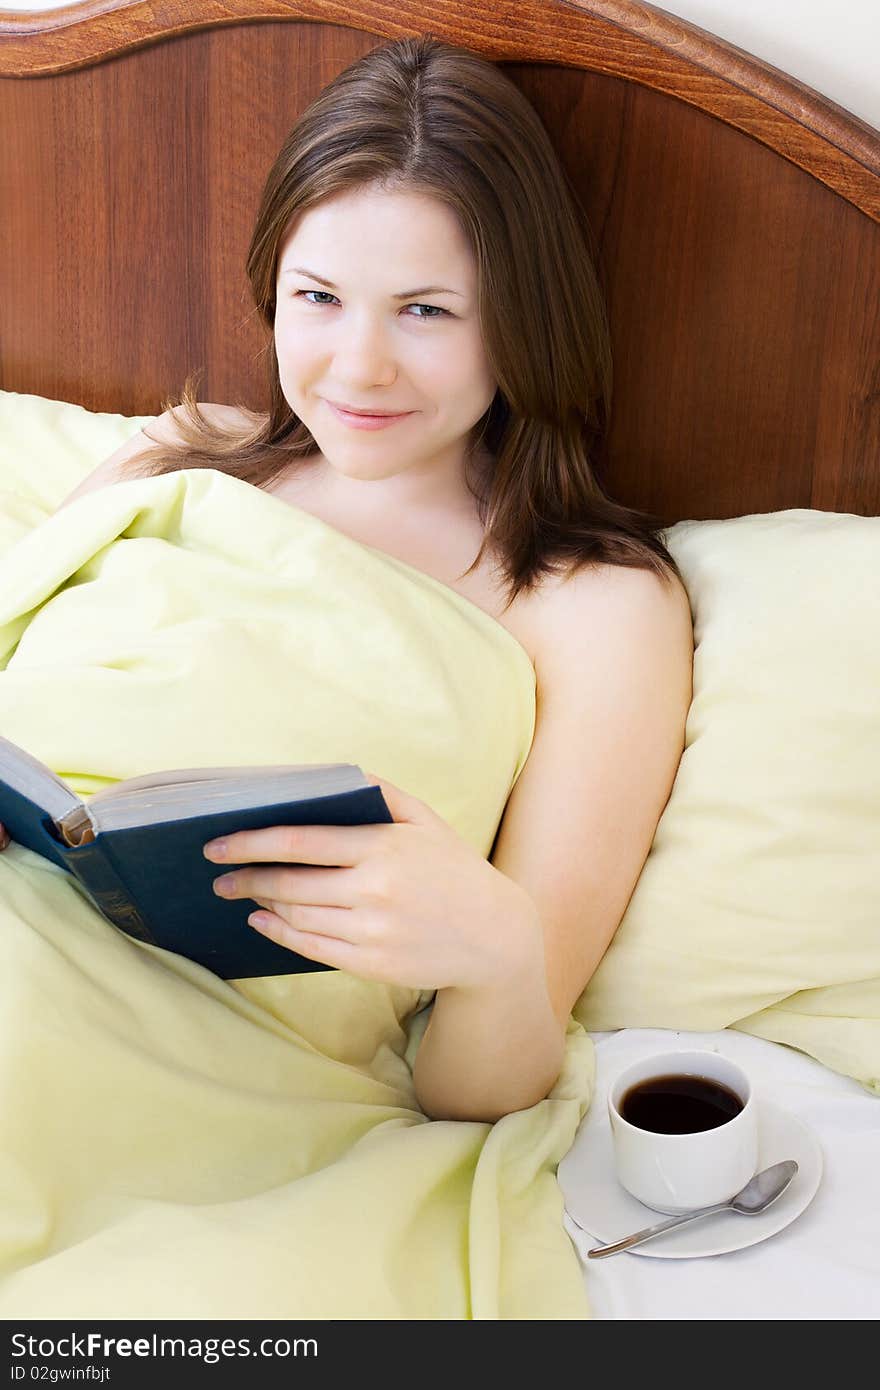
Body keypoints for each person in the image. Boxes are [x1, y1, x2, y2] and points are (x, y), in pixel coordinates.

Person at [0, 33, 693, 1318]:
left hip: (176, 1060)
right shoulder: (183, 458)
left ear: (522, 316)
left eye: (425, 311)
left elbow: (474, 1084)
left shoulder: (592, 605)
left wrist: (495, 952)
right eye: (316, 299)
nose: (356, 368)